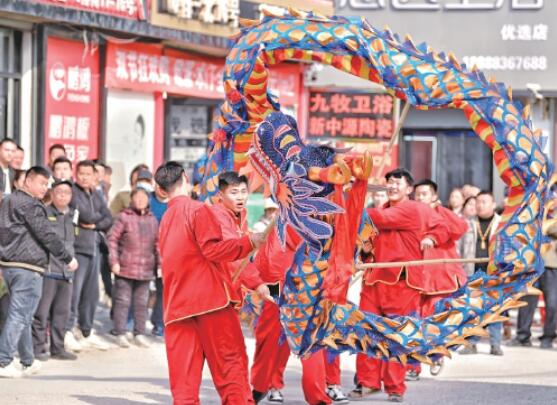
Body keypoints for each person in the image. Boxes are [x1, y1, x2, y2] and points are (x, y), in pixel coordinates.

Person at [155, 161, 265, 404]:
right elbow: (214, 250)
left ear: (161, 190)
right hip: (210, 302)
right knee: (231, 368)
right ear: (185, 178)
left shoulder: (165, 220)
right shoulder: (198, 210)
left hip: (176, 308)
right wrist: (249, 243)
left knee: (184, 384)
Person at [349, 168, 450, 403]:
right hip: (374, 280)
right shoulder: (381, 210)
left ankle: (395, 386)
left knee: (396, 335)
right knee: (367, 332)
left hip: (401, 282)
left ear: (408, 188)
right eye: (389, 183)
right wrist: (364, 252)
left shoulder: (412, 209)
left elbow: (442, 226)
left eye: (397, 183)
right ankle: (367, 382)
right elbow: (367, 242)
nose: (392, 186)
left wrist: (432, 237)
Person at [0, 167, 78, 378]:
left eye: (47, 184)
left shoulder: (8, 200)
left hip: (9, 265)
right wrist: (67, 257)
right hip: (28, 266)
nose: (45, 188)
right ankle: (4, 360)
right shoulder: (30, 204)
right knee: (19, 314)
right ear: (28, 181)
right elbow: (47, 234)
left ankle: (28, 360)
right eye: (42, 184)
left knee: (23, 314)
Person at [411, 179, 468, 379]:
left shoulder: (441, 213)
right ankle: (413, 366)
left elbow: (460, 228)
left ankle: (436, 355)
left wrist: (439, 211)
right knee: (413, 321)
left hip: (439, 278)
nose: (420, 197)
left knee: (435, 320)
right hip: (415, 278)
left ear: (434, 196)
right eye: (417, 194)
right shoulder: (409, 213)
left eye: (424, 193)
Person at [65, 160, 113, 352]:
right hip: (78, 248)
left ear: (95, 176)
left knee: (92, 294)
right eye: (81, 173)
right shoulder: (73, 193)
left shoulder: (97, 194)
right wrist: (97, 220)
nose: (84, 177)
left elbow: (109, 218)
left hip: (94, 247)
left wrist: (96, 224)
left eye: (88, 174)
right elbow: (86, 216)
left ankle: (85, 330)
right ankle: (67, 330)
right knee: (74, 293)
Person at [32, 179, 78, 361]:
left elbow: (75, 241)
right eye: (59, 192)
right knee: (42, 313)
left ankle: (58, 348)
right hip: (48, 270)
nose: (63, 196)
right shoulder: (45, 212)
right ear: (52, 193)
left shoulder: (74, 215)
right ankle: (38, 349)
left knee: (62, 313)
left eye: (66, 193)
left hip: (67, 271)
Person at [108, 187, 159, 349]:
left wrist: (160, 265)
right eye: (136, 198)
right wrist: (114, 261)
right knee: (122, 302)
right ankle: (120, 332)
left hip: (146, 269)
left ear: (148, 200)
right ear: (131, 200)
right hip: (125, 267)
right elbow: (112, 239)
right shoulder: (124, 217)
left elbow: (158, 244)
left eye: (143, 198)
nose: (140, 201)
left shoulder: (152, 220)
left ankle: (139, 333)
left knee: (141, 303)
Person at [459, 190, 503, 356]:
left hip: (494, 273)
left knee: (495, 309)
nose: (479, 205)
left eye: (484, 201)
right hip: (473, 272)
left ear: (493, 204)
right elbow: (459, 248)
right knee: (472, 310)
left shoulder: (502, 223)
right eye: (478, 201)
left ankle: (495, 344)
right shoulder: (467, 223)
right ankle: (470, 343)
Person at [509, 213, 557, 349]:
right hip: (531, 264)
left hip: (552, 266)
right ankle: (522, 336)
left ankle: (548, 336)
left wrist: (543, 227)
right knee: (527, 302)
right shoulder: (535, 210)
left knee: (552, 303)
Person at [149, 183, 168, 337]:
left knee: (163, 289)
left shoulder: (175, 203)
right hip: (144, 251)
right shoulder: (146, 199)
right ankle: (129, 320)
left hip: (166, 252)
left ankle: (159, 323)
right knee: (137, 287)